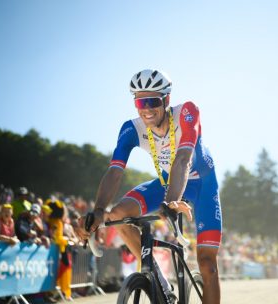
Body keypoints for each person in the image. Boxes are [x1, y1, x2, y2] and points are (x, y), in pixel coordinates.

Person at [75, 69, 222, 304]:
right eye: (140, 101)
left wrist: (172, 200)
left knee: (207, 264)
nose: (146, 108)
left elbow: (183, 158)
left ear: (166, 100)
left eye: (152, 101)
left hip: (201, 186)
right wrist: (99, 210)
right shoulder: (131, 128)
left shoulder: (187, 112)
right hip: (167, 184)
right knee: (117, 215)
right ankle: (161, 285)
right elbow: (115, 170)